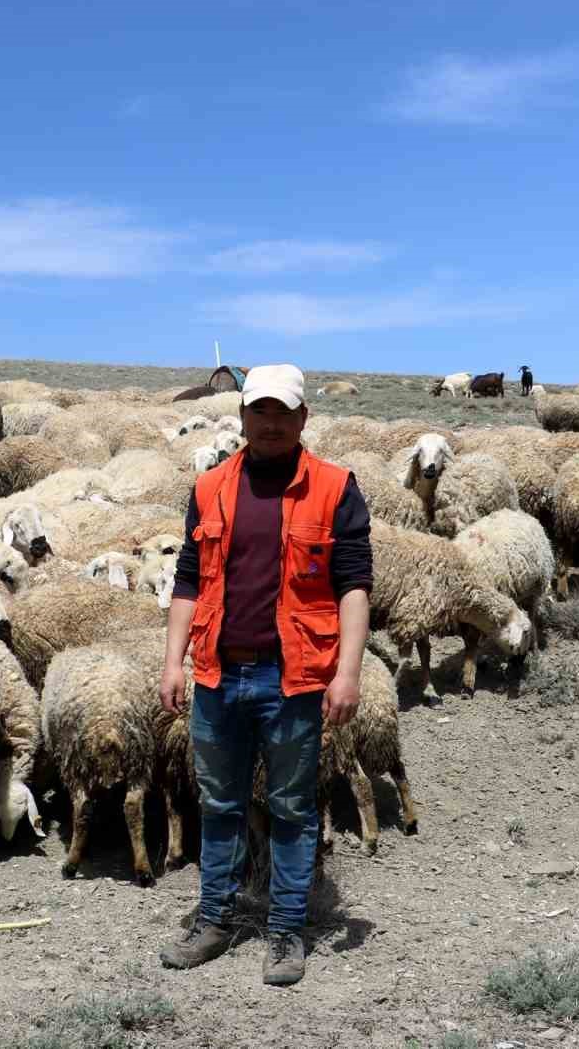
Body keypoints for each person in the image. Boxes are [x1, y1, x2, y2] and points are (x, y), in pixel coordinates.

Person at [157, 363, 373, 987]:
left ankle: (285, 930)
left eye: (283, 413)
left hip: (295, 677)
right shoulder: (211, 487)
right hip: (219, 674)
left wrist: (349, 673)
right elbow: (189, 580)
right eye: (260, 412)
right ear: (243, 416)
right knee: (219, 803)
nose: (271, 424)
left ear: (303, 418)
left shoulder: (335, 488)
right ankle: (215, 919)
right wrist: (174, 660)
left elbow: (354, 584)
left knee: (291, 809)